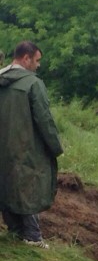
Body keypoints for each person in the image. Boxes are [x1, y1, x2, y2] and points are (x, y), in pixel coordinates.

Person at [0, 41, 63, 249]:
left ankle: (14, 232)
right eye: (36, 61)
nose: (38, 66)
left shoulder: (2, 78)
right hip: (27, 149)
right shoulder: (33, 84)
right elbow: (44, 120)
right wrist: (55, 147)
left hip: (3, 148)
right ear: (26, 58)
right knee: (30, 189)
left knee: (6, 185)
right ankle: (33, 238)